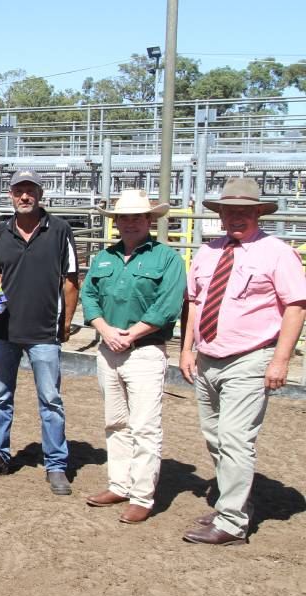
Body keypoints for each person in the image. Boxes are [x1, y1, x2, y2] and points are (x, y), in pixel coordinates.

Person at [179, 177, 306, 545]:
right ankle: (233, 505)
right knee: (216, 437)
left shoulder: (277, 252)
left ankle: (232, 522)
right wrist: (187, 348)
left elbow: (296, 306)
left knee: (235, 438)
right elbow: (195, 302)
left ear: (257, 213)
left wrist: (280, 359)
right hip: (208, 357)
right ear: (220, 215)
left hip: (250, 357)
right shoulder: (209, 252)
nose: (235, 217)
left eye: (243, 211)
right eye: (229, 211)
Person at [0, 170, 80, 495]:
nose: (25, 196)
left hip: (44, 330)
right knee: (0, 396)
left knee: (51, 400)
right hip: (3, 330)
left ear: (40, 194)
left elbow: (70, 280)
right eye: (19, 191)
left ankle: (56, 465)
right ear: (11, 195)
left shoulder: (59, 230)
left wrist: (66, 322)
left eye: (30, 190)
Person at [80, 190, 186, 524]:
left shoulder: (166, 259)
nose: (129, 223)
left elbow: (168, 306)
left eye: (136, 217)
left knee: (144, 425)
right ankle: (119, 484)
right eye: (123, 218)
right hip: (109, 348)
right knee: (116, 421)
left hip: (144, 351)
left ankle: (141, 495)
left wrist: (131, 333)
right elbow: (89, 295)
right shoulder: (105, 258)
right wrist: (105, 330)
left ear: (149, 220)